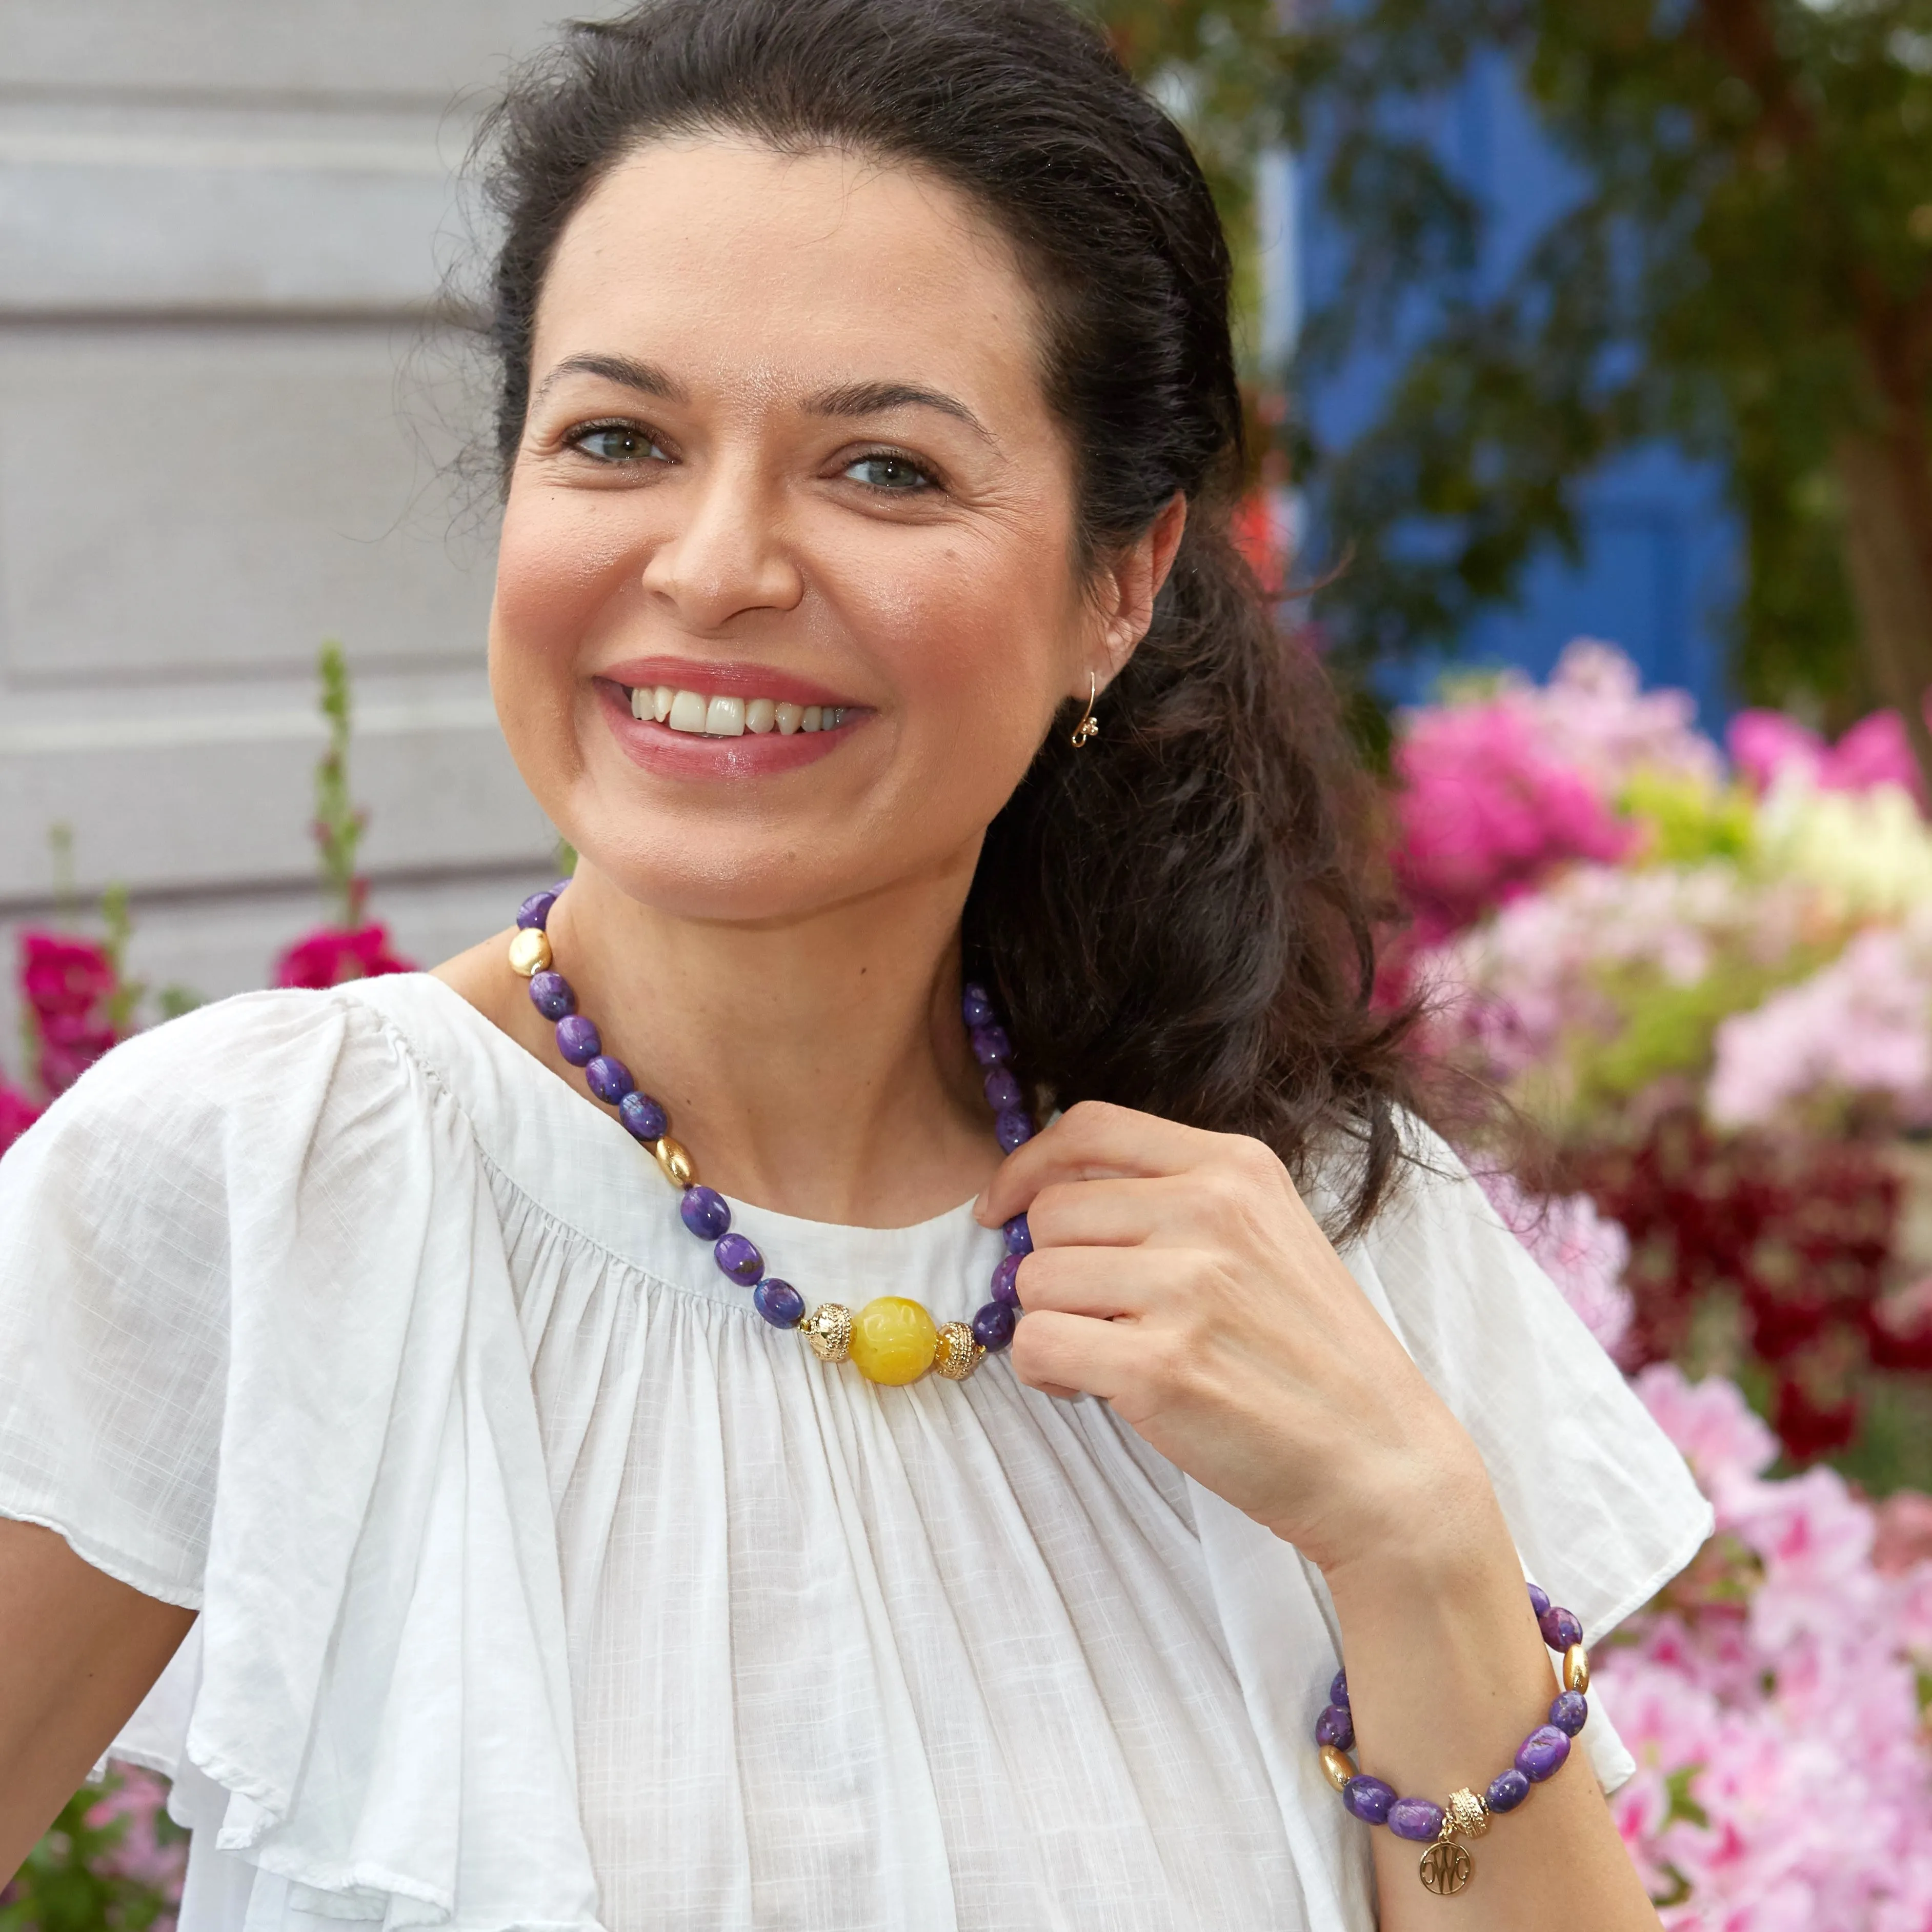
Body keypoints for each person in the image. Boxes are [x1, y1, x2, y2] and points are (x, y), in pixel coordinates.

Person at [0, 2, 1708, 1925]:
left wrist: (1414, 1533)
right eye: (619, 439)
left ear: (1121, 585)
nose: (718, 564)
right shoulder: (270, 1182)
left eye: (885, 470)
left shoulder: (1305, 1239)